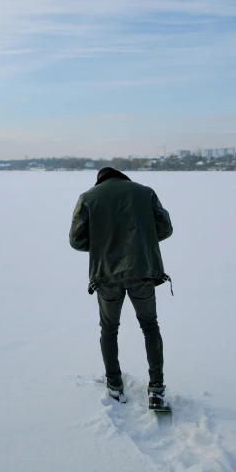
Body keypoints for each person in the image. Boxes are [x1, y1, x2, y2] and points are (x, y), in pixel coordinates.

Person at [69, 167, 173, 408]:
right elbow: (165, 228)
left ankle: (114, 384)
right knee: (150, 325)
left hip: (106, 274)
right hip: (143, 270)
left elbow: (76, 240)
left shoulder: (88, 198)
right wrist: (141, 239)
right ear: (122, 177)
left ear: (100, 180)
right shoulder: (145, 193)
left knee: (109, 329)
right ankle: (156, 388)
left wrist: (103, 244)